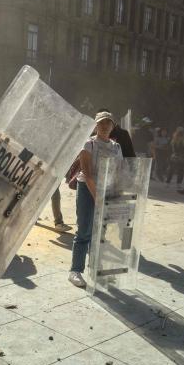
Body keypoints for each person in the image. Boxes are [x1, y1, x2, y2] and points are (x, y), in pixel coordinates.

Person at [69, 110, 123, 288]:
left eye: (108, 123)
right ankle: (75, 271)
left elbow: (117, 171)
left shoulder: (116, 147)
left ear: (113, 126)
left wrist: (114, 195)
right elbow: (87, 173)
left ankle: (96, 268)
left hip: (106, 190)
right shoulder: (89, 144)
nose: (105, 126)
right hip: (87, 188)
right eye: (101, 123)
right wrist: (98, 198)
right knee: (84, 230)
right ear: (96, 125)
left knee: (100, 232)